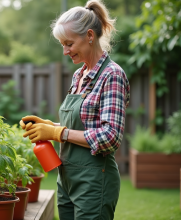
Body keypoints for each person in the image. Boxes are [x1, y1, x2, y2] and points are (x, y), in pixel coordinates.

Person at [20, 0, 130, 219]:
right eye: (62, 44)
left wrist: (57, 133)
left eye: (69, 43)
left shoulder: (112, 75)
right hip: (67, 178)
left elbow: (110, 137)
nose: (64, 51)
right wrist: (50, 126)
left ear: (90, 36)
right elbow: (83, 125)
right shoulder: (79, 75)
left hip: (94, 182)